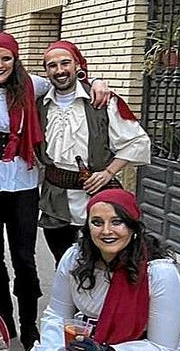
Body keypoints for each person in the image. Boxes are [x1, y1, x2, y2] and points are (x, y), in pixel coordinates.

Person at [0, 32, 110, 351]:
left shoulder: (33, 85)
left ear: (15, 61)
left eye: (6, 59)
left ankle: (29, 325)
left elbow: (68, 77)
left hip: (23, 184)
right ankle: (3, 322)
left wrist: (96, 80)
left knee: (24, 259)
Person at [19, 189, 180, 351]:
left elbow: (162, 347)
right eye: (97, 222)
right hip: (88, 347)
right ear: (87, 227)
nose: (107, 231)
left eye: (117, 222)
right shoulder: (75, 258)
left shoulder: (158, 272)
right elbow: (57, 314)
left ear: (132, 227)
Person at [36, 40, 150, 264]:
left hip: (98, 195)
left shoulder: (103, 101)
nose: (59, 70)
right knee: (63, 261)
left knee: (102, 262)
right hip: (55, 199)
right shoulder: (40, 104)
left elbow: (138, 141)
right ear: (46, 71)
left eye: (65, 63)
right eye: (52, 65)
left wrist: (108, 172)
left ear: (78, 65)